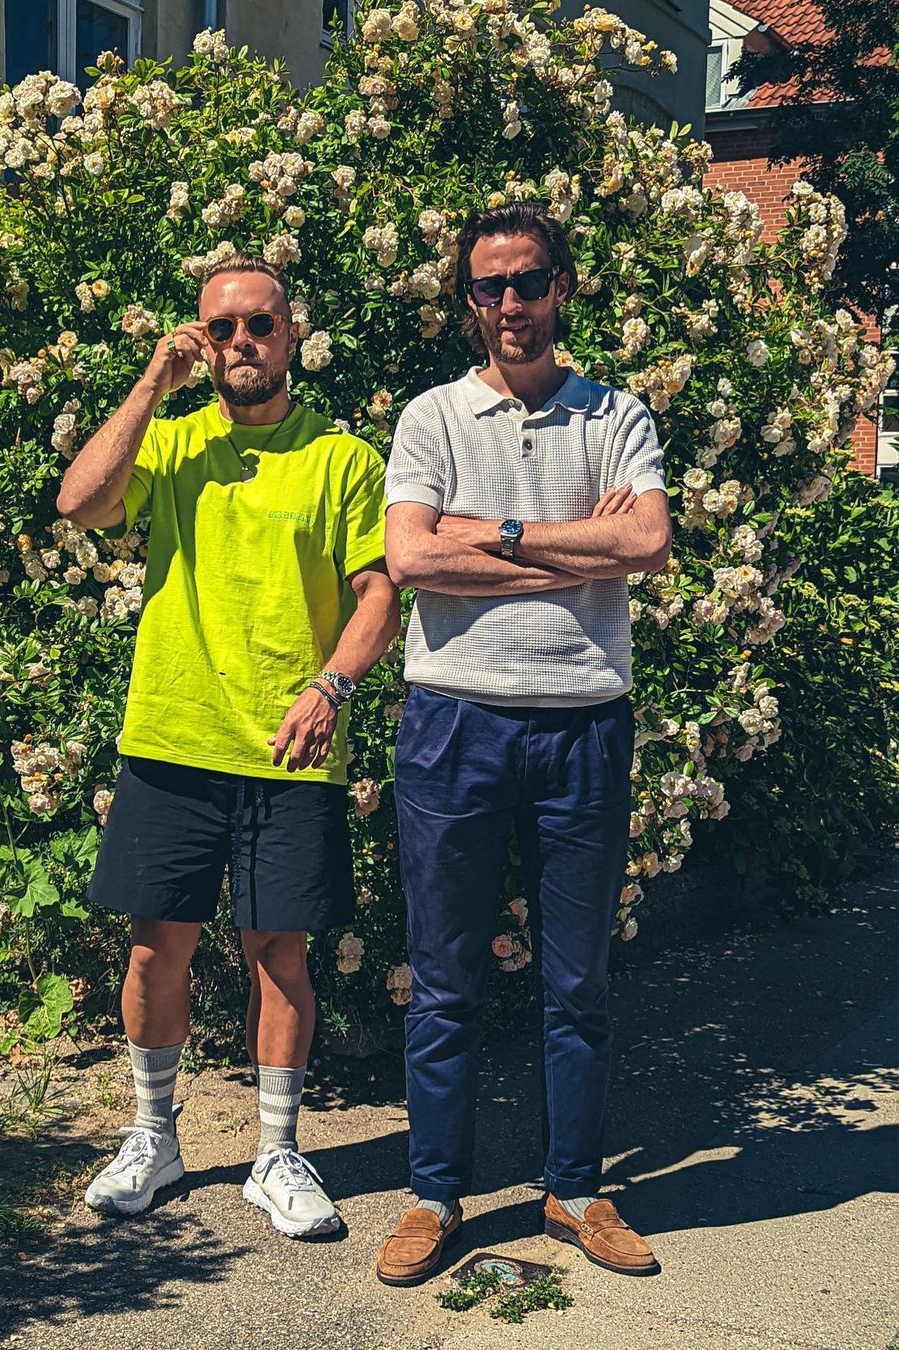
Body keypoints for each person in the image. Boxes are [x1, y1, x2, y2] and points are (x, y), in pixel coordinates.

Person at [57, 254, 399, 1237]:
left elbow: (379, 592)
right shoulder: (171, 444)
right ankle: (153, 1139)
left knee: (280, 955)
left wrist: (332, 686)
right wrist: (149, 384)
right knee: (153, 950)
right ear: (201, 343)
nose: (241, 342)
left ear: (292, 334)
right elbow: (81, 504)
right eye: (222, 328)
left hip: (289, 752)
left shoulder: (341, 458)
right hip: (174, 739)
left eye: (260, 324)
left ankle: (276, 1154)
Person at [376, 202, 671, 1286]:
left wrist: (492, 533)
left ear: (562, 287)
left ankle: (574, 1190)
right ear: (469, 299)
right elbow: (412, 560)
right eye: (490, 285)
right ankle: (434, 1195)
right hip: (455, 723)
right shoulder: (432, 418)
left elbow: (648, 540)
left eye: (529, 280)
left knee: (577, 982)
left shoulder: (617, 413)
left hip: (584, 721)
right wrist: (578, 551)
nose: (511, 303)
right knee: (445, 979)